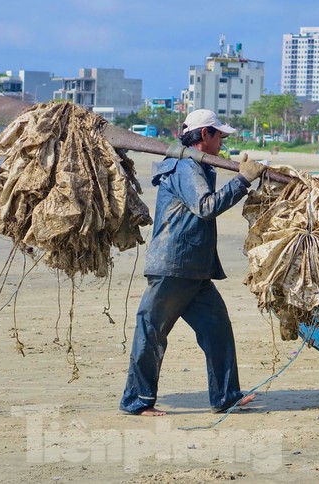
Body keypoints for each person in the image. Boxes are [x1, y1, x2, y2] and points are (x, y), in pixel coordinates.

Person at [119, 109, 264, 416]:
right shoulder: (186, 168)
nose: (222, 140)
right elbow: (206, 206)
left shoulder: (195, 166)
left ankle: (226, 396)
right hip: (174, 265)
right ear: (203, 136)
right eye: (219, 135)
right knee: (151, 331)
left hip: (195, 269)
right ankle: (137, 401)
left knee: (218, 330)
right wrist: (242, 180)